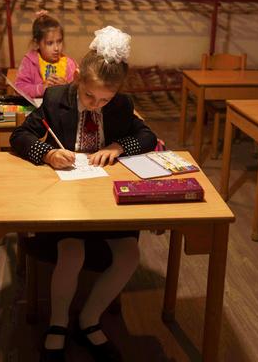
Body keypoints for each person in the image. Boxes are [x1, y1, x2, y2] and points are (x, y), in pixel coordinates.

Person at [11, 26, 156, 362]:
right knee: (72, 252)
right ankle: (58, 323)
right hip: (67, 201)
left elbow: (147, 136)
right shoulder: (56, 98)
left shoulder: (120, 106)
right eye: (90, 96)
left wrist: (120, 146)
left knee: (130, 255)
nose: (96, 105)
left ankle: (89, 319)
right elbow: (20, 136)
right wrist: (46, 154)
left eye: (105, 99)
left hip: (107, 201)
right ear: (77, 80)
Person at [15, 10, 78, 99]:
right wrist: (42, 88)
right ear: (37, 43)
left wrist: (66, 88)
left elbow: (79, 90)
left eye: (59, 41)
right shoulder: (29, 61)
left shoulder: (69, 64)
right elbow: (19, 87)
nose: (56, 48)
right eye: (50, 43)